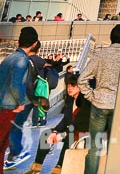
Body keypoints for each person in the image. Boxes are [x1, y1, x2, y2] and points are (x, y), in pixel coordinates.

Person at [79, 23, 120, 174]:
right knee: (115, 146)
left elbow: (82, 80)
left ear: (111, 38)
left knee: (94, 146)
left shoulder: (100, 55)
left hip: (99, 104)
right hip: (119, 106)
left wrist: (91, 96)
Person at [30, 73, 91, 173]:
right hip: (71, 131)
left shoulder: (85, 102)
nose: (70, 88)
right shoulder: (71, 100)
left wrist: (62, 135)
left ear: (80, 87)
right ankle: (36, 167)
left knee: (70, 137)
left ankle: (59, 167)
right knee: (46, 134)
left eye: (73, 86)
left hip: (83, 133)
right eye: (68, 86)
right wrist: (54, 131)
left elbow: (80, 124)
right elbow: (65, 120)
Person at [0, 27, 40, 170]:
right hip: (7, 108)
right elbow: (16, 84)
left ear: (19, 42)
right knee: (2, 144)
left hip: (2, 105)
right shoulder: (22, 60)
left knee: (3, 145)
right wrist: (22, 103)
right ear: (35, 44)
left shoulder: (10, 57)